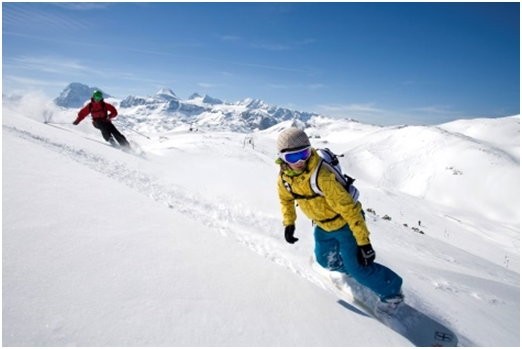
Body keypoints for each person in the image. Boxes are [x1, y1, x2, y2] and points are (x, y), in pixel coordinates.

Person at [276, 127, 403, 312]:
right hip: (322, 226)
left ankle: (392, 292)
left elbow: (350, 210)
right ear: (282, 158)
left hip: (346, 225)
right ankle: (351, 269)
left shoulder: (322, 177)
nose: (301, 161)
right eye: (293, 157)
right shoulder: (285, 179)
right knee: (323, 261)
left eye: (304, 153)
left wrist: (364, 243)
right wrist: (289, 223)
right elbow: (285, 200)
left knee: (358, 267)